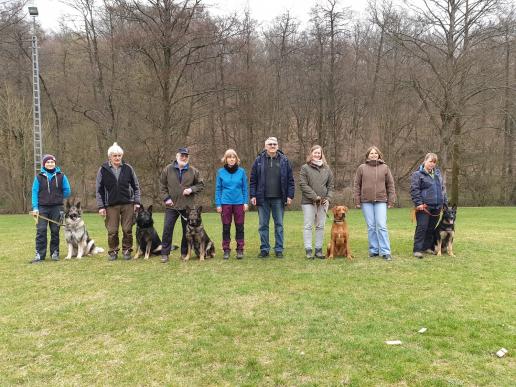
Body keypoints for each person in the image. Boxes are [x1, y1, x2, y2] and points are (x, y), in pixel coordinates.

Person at [250, 137, 295, 258]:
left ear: (278, 146)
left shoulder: (284, 160)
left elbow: (291, 180)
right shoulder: (258, 160)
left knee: (279, 225)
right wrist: (253, 195)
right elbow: (253, 180)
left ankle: (279, 249)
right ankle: (264, 249)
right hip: (262, 198)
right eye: (270, 144)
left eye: (274, 144)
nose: (272, 146)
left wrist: (290, 195)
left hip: (279, 198)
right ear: (265, 146)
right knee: (263, 225)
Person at [96, 142, 141, 261]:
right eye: (114, 155)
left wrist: (137, 202)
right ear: (109, 157)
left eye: (119, 155)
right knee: (112, 231)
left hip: (128, 204)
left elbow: (136, 186)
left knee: (127, 229)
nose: (117, 158)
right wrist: (101, 206)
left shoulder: (128, 168)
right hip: (110, 205)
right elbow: (99, 189)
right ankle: (113, 251)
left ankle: (127, 250)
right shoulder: (103, 169)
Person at [159, 147, 205, 263]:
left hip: (188, 207)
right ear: (177, 156)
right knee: (167, 229)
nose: (184, 157)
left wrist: (191, 189)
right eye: (182, 155)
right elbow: (162, 186)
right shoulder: (167, 169)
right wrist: (166, 198)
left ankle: (184, 253)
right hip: (171, 205)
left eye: (186, 156)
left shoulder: (193, 171)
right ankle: (165, 253)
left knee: (187, 231)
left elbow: (201, 185)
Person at [353, 146, 396, 260]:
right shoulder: (361, 168)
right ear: (367, 155)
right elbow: (357, 185)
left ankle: (386, 251)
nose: (373, 155)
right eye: (371, 153)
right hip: (366, 201)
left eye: (375, 153)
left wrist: (391, 200)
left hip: (381, 201)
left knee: (381, 226)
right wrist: (357, 200)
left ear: (379, 155)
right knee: (371, 227)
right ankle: (374, 250)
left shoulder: (385, 168)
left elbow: (390, 185)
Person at [31, 154, 71, 263]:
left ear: (55, 163)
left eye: (52, 162)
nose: (50, 164)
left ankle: (55, 253)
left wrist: (59, 197)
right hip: (42, 208)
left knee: (55, 231)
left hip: (57, 208)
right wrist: (35, 207)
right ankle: (39, 255)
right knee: (41, 230)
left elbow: (67, 190)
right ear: (44, 164)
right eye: (47, 162)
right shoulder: (39, 177)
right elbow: (34, 193)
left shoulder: (61, 176)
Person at [299, 145, 334, 259]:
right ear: (311, 154)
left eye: (319, 153)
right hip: (308, 202)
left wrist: (327, 198)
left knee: (320, 226)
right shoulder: (305, 168)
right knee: (308, 226)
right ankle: (309, 250)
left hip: (323, 203)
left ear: (321, 154)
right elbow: (303, 185)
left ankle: (318, 250)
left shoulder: (327, 169)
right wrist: (315, 197)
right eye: (315, 152)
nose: (317, 154)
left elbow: (331, 186)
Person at [410, 152, 447, 259]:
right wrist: (419, 203)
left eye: (434, 162)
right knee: (422, 227)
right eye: (430, 161)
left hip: (437, 207)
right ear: (425, 161)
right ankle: (417, 249)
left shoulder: (438, 174)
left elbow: (443, 190)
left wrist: (444, 203)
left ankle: (426, 247)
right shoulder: (417, 174)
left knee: (431, 228)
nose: (432, 164)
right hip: (424, 207)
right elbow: (414, 190)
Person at [215, 149, 249, 259]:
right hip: (225, 203)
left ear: (236, 159)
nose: (231, 159)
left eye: (233, 157)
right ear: (226, 159)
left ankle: (240, 249)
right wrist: (218, 204)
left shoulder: (241, 171)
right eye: (229, 157)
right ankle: (226, 249)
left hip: (239, 203)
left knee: (240, 227)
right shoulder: (220, 172)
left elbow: (245, 188)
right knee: (226, 227)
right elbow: (218, 189)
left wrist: (245, 202)